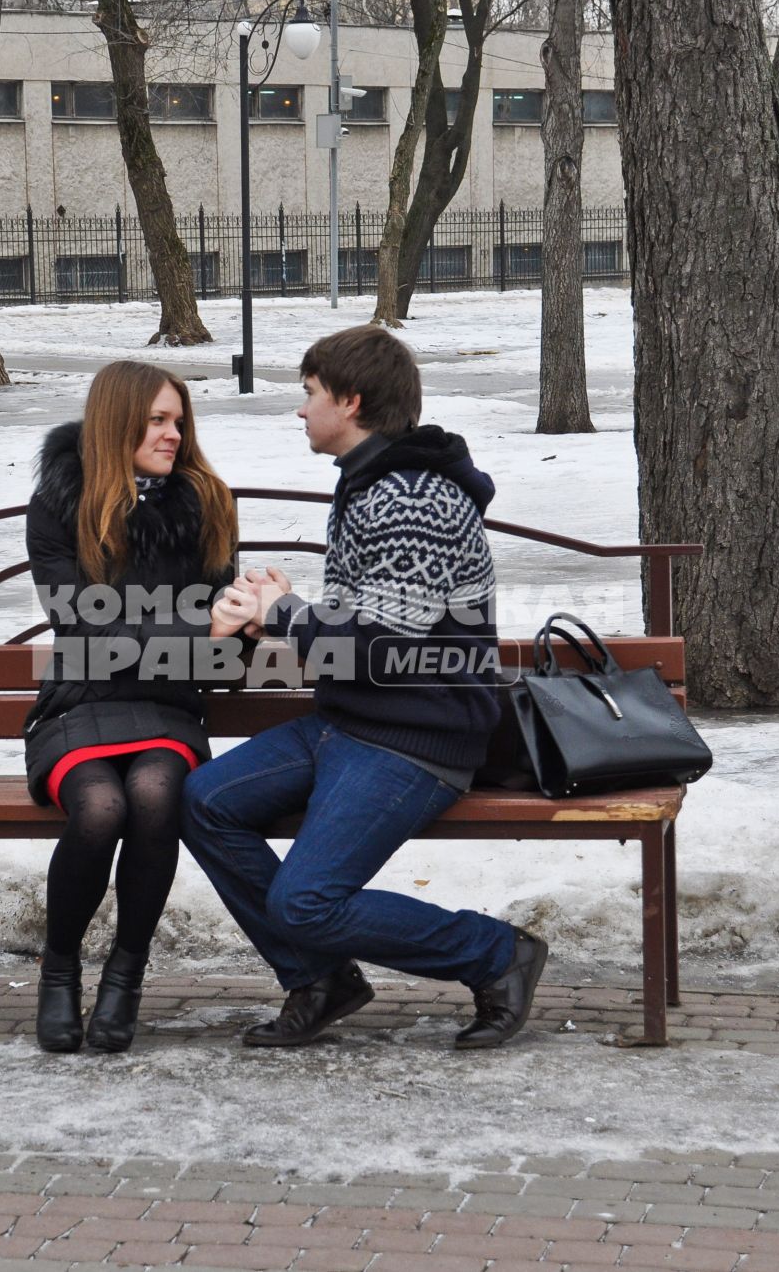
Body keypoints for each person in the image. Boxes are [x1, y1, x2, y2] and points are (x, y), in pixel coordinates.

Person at [184, 324, 548, 1051]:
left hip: (416, 739)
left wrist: (282, 613)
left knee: (307, 900)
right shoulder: (370, 483)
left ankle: (497, 954)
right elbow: (369, 624)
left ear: (349, 402)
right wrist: (279, 617)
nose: (301, 410)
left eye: (310, 394)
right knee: (204, 801)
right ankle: (320, 978)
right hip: (351, 725)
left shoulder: (410, 499)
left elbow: (384, 648)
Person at [23, 360, 247, 1053]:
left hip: (168, 706)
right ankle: (59, 970)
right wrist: (199, 630)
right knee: (100, 808)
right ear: (118, 420)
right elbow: (84, 624)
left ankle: (126, 974)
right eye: (156, 419)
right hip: (79, 701)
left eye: (178, 420)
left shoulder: (204, 505)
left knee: (153, 794)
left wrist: (245, 616)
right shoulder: (61, 504)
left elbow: (225, 656)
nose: (173, 433)